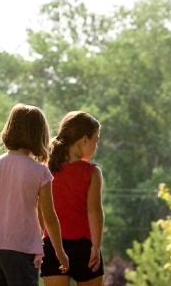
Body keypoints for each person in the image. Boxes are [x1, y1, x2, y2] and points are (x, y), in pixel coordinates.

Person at [0, 104, 69, 286]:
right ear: (39, 135)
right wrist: (59, 251)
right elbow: (48, 215)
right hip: (21, 246)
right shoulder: (39, 171)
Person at [41, 111, 105, 286]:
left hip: (52, 245)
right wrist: (96, 247)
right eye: (96, 140)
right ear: (84, 140)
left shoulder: (46, 169)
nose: (96, 146)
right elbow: (94, 211)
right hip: (84, 246)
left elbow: (41, 211)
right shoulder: (91, 172)